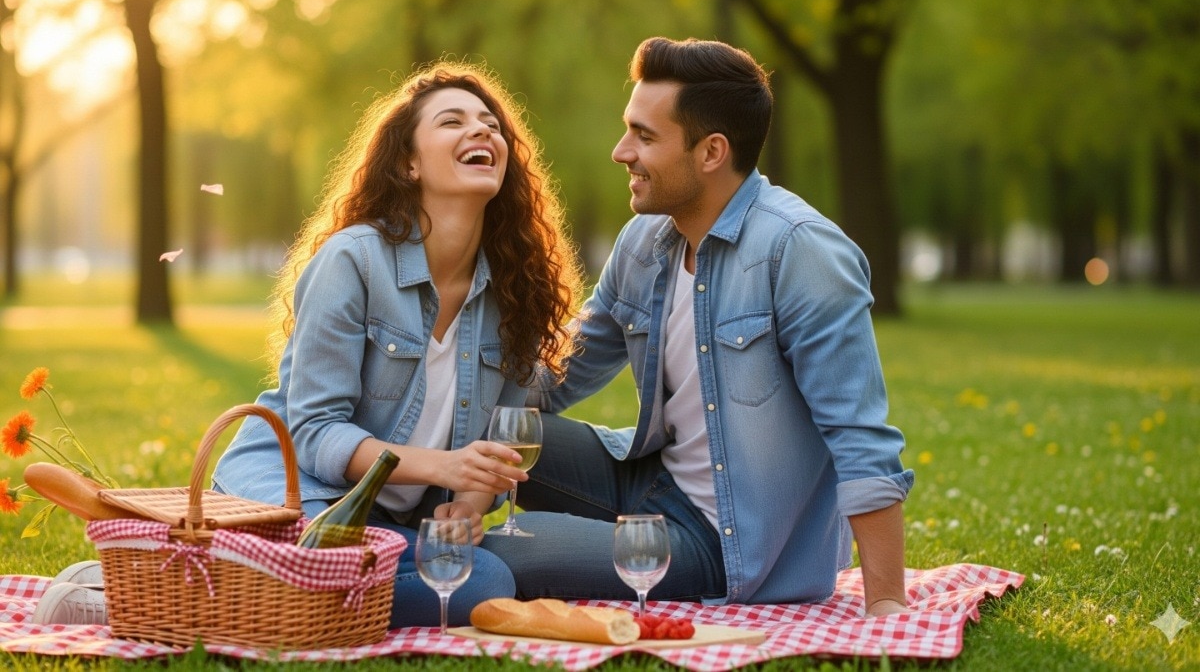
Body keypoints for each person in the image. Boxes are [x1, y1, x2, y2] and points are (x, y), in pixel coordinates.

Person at [481, 37, 913, 617]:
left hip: (723, 544)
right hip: (644, 479)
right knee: (478, 429)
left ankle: (394, 565)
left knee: (496, 557)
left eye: (644, 136)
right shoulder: (644, 240)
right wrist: (449, 399)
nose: (620, 151)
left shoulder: (798, 251)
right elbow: (559, 376)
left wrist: (885, 604)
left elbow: (860, 437)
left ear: (711, 152)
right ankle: (356, 542)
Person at [211, 61, 583, 629]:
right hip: (294, 492)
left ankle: (253, 590)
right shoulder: (353, 261)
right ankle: (233, 578)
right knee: (472, 583)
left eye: (491, 124)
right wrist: (448, 467)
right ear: (409, 163)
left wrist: (472, 502)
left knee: (484, 578)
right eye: (452, 122)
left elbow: (501, 434)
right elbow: (314, 433)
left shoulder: (517, 288)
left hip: (393, 524)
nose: (482, 131)